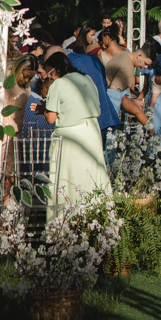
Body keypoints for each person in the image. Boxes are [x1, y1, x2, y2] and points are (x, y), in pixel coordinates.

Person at [39, 51, 112, 206]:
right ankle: (97, 212)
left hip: (70, 137)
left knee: (69, 180)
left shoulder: (58, 84)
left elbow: (51, 118)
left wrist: (44, 110)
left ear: (58, 69)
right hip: (92, 132)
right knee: (92, 175)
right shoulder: (87, 79)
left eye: (49, 73)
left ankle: (68, 219)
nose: (48, 77)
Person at [68, 31, 122, 162]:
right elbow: (103, 85)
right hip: (108, 116)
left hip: (93, 120)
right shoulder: (94, 60)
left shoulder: (70, 63)